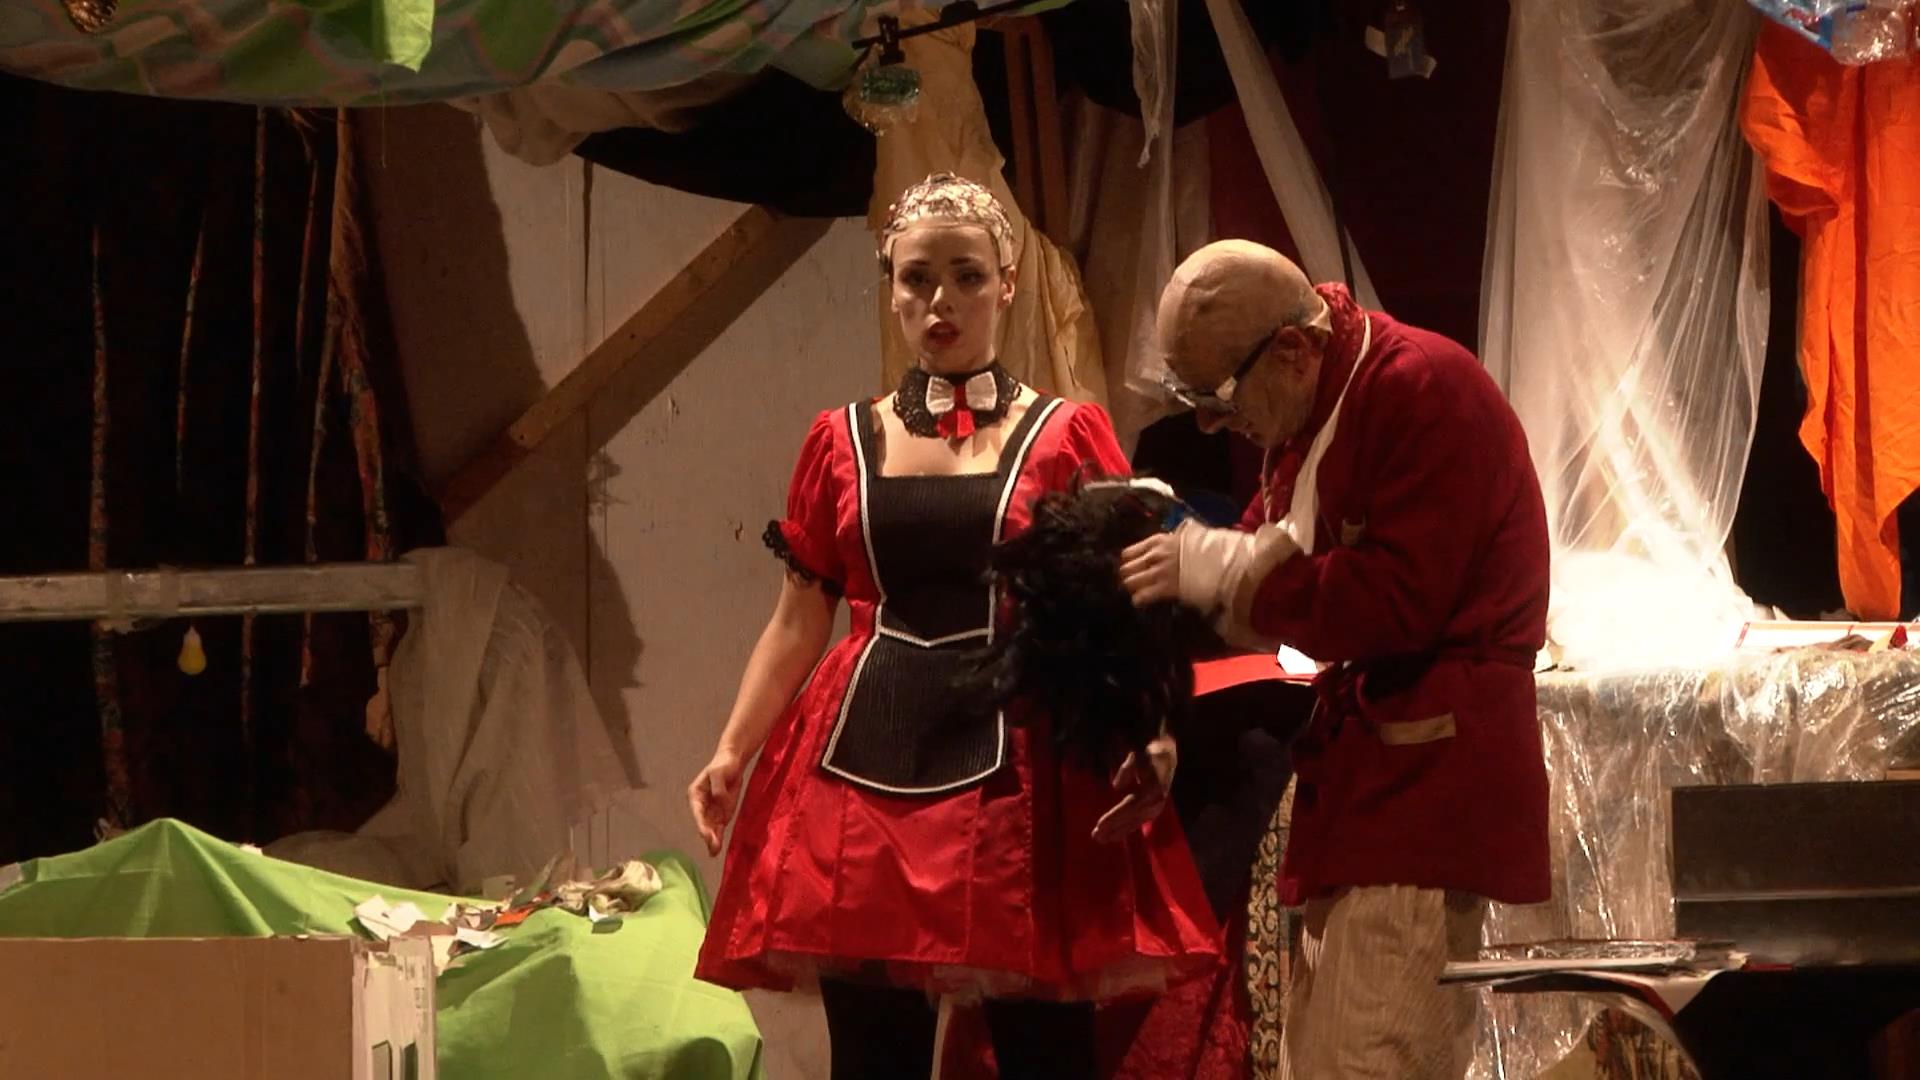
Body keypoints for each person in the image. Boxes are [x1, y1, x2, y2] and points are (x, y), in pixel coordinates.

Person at [688, 173, 1219, 1080]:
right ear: (890, 287)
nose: (942, 301)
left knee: (1044, 1056)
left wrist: (1152, 730)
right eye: (918, 278)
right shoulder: (838, 439)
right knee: (873, 1058)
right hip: (862, 760)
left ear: (1008, 284)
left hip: (1020, 768)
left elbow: (1122, 605)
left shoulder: (1066, 433)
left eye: (967, 276)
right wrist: (733, 750)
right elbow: (799, 615)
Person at [1119, 240, 1552, 1079]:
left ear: (1291, 347)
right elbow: (1260, 567)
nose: (1209, 425)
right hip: (1362, 792)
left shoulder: (1420, 388)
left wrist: (1219, 569)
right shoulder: (1315, 404)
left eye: (1216, 397)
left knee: (1368, 1063)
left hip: (1423, 788)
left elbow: (1391, 603)